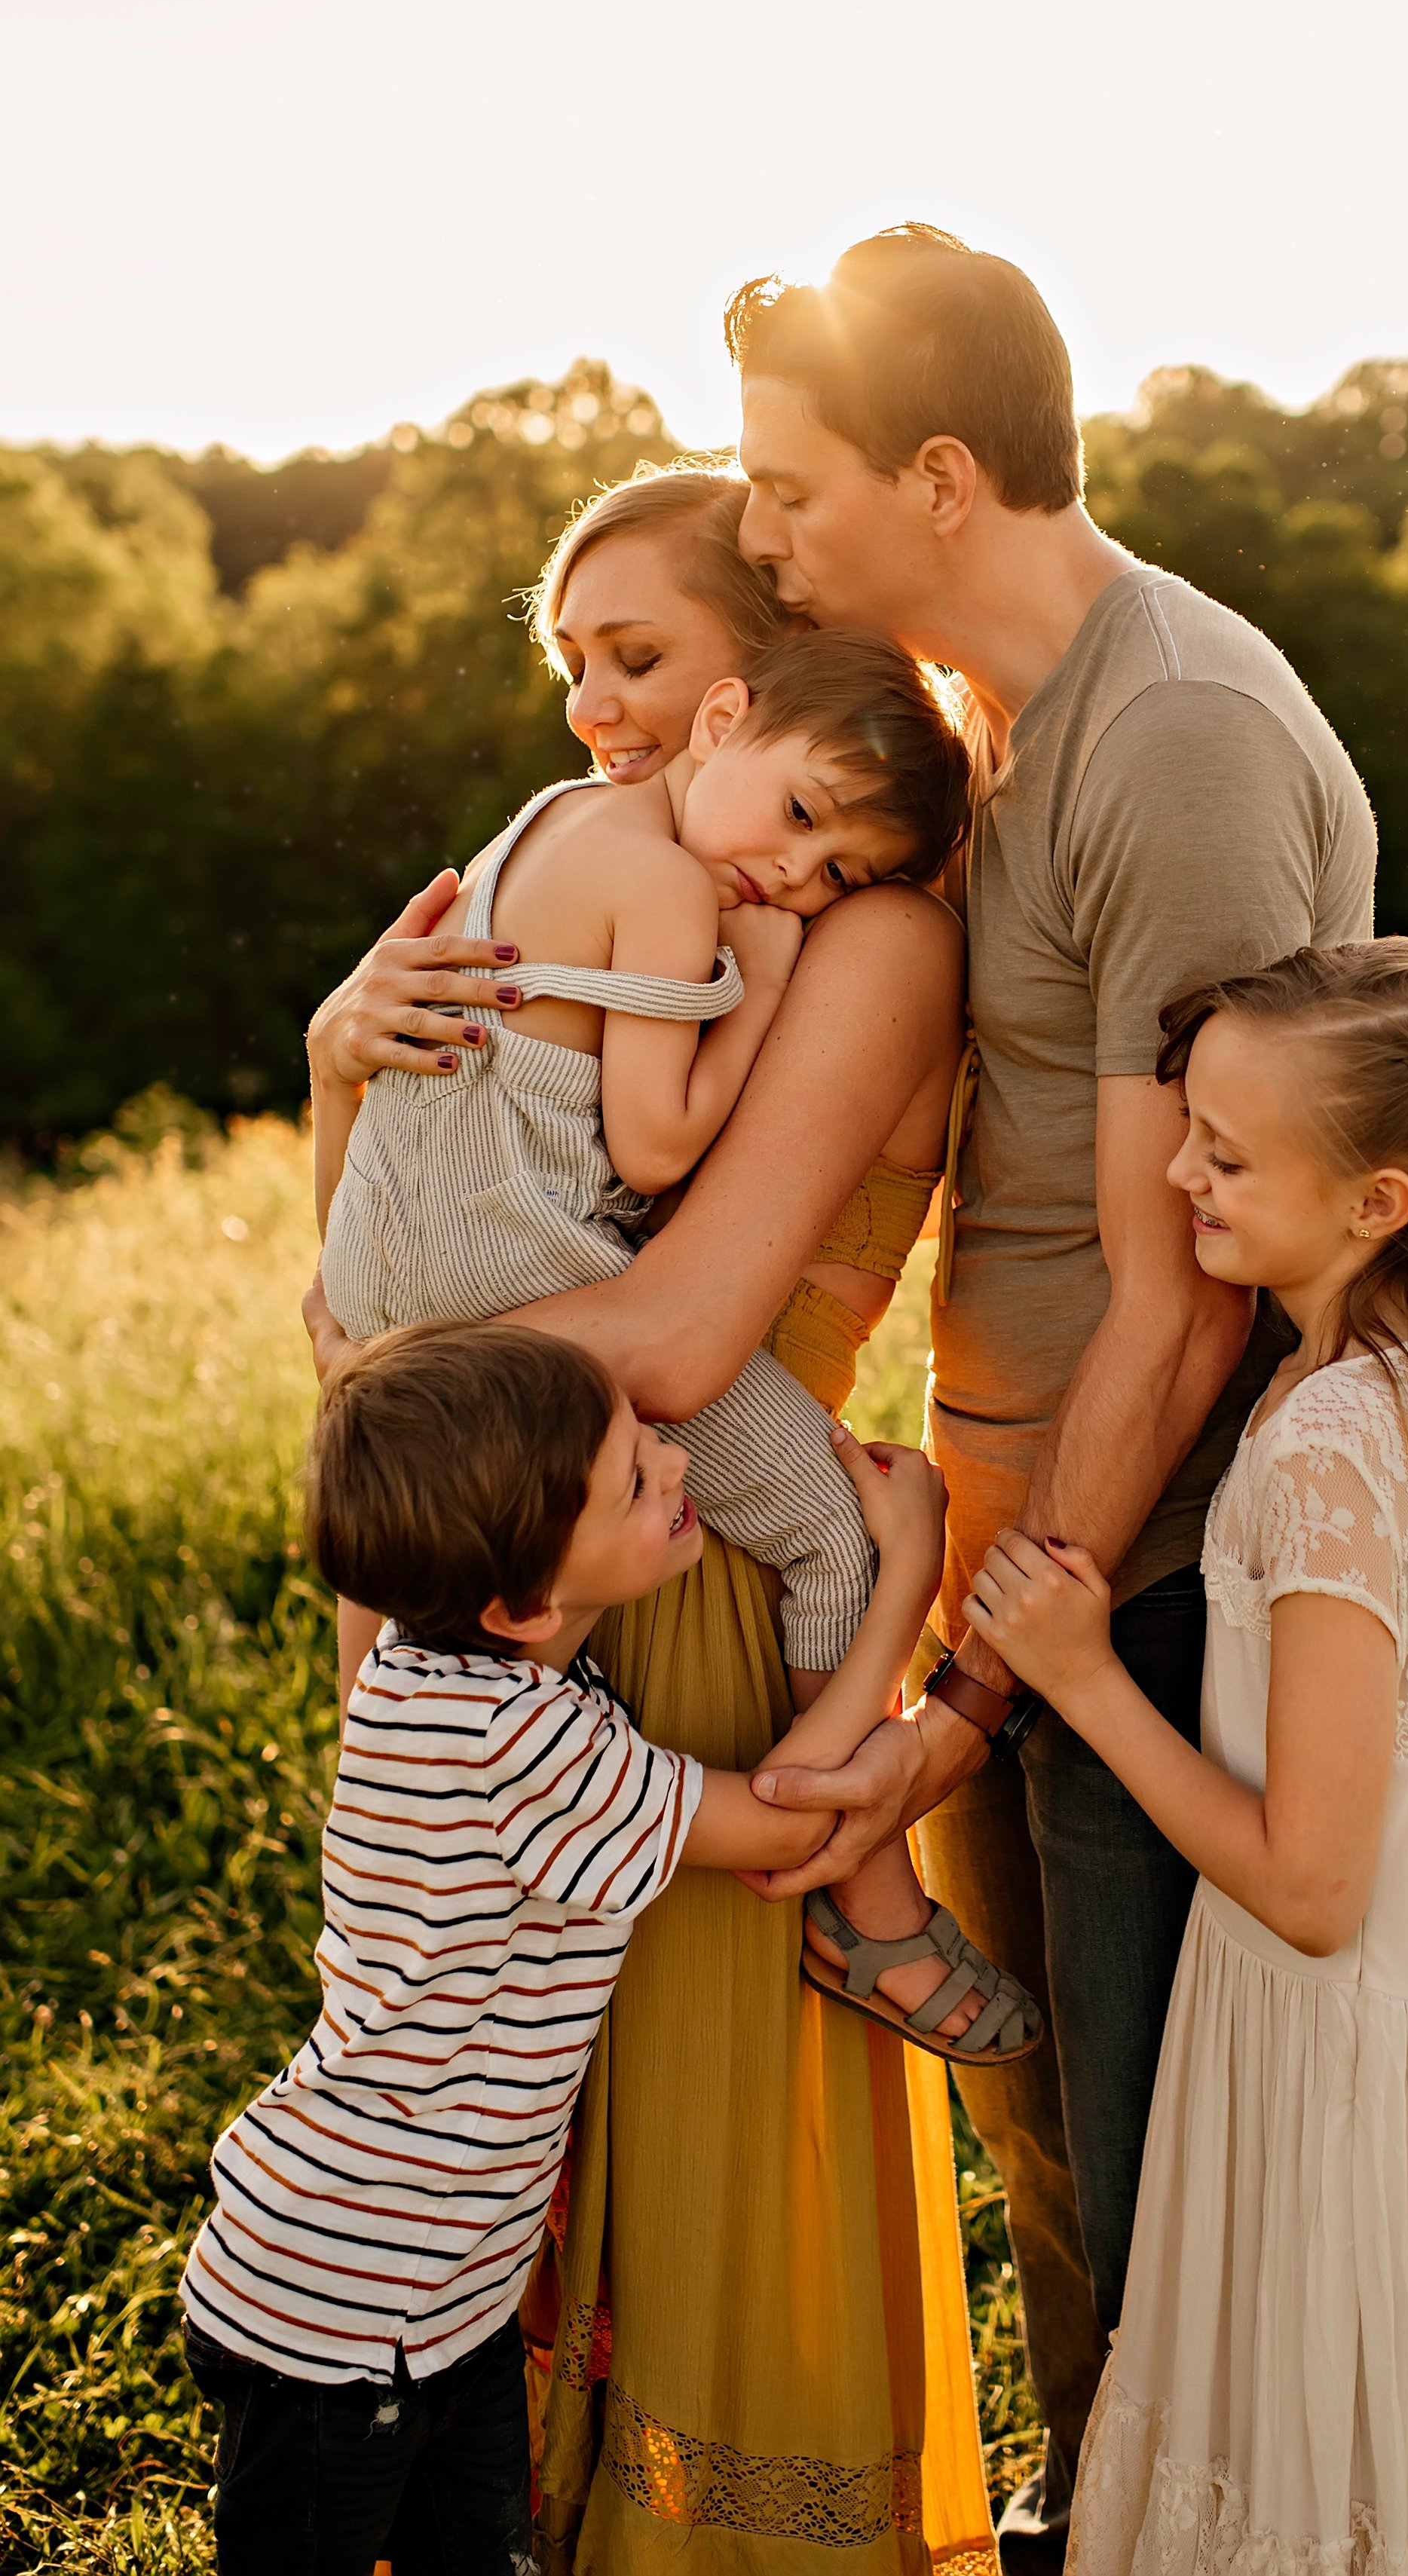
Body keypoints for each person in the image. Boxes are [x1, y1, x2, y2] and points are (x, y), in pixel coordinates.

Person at [718, 225, 1376, 2565]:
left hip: (1157, 1575)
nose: (760, 539)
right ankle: (1095, 2505)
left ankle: (1170, 2528)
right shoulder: (997, 723)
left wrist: (984, 1691)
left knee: (1134, 2129)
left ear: (934, 471)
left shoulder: (1171, 737)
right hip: (1032, 1536)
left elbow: (1178, 1296)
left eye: (787, 492)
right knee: (1061, 2136)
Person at [301, 464, 1003, 2575]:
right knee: (475, 2098)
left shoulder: (852, 928)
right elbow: (348, 1254)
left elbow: (685, 1339)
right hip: (527, 1543)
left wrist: (386, 1403)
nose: (600, 717)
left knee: (682, 2143)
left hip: (675, 1553)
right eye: (574, 665)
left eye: (650, 660)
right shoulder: (602, 885)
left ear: (761, 682)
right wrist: (336, 1046)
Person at [968, 940, 1408, 2576]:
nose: (1178, 1170)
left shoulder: (1336, 1441)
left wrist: (1076, 1674)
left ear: (1375, 1205)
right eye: (1185, 1126)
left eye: (1226, 1152)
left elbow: (1311, 1883)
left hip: (1359, 2019)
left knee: (1328, 2462)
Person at [182, 1317, 949, 2576]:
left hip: (439, 2296)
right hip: (346, 2316)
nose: (677, 1459)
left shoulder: (432, 1666)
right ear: (525, 1600)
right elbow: (785, 1813)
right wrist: (901, 1573)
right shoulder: (524, 1751)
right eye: (634, 1478)